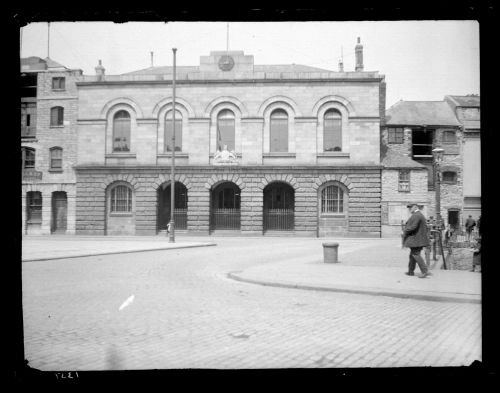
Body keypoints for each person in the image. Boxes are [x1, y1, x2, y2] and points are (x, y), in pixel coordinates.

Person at [402, 203, 431, 278]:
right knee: (412, 255)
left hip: (416, 240)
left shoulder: (416, 215)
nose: (409, 209)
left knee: (415, 254)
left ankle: (424, 271)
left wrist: (405, 230)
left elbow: (413, 227)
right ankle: (410, 271)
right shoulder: (418, 214)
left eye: (410, 208)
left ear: (415, 207)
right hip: (417, 239)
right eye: (409, 208)